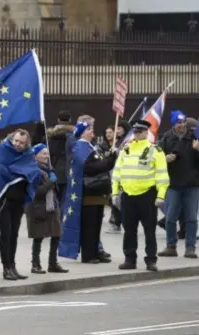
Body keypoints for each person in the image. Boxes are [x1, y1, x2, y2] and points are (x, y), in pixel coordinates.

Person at [0, 130, 41, 280]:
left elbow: (33, 171)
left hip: (18, 200)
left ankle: (12, 266)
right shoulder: (3, 150)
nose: (18, 145)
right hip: (3, 199)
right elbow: (0, 170)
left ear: (27, 144)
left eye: (22, 143)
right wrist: (20, 172)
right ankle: (6, 267)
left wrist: (19, 172)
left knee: (14, 234)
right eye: (16, 141)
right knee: (5, 233)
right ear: (12, 139)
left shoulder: (28, 155)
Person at [112, 120, 168, 271]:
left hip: (147, 195)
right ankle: (130, 259)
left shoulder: (155, 150)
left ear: (146, 132)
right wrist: (115, 192)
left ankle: (151, 260)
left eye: (140, 131)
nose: (137, 134)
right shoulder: (126, 149)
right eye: (135, 131)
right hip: (128, 195)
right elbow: (117, 172)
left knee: (149, 230)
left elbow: (162, 175)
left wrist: (160, 196)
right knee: (129, 229)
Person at [60, 119, 116, 264]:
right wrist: (110, 160)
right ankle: (88, 255)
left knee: (97, 223)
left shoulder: (90, 147)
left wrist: (109, 160)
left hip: (96, 192)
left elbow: (100, 165)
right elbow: (92, 168)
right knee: (89, 225)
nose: (92, 131)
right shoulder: (80, 147)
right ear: (81, 133)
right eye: (88, 129)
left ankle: (96, 251)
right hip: (87, 193)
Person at [158, 111, 199, 258]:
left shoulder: (194, 137)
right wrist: (164, 158)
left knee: (191, 218)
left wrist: (197, 150)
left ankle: (190, 248)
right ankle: (171, 246)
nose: (181, 125)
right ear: (173, 124)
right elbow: (155, 158)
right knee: (170, 218)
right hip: (173, 184)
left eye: (183, 123)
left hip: (192, 185)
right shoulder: (166, 138)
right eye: (178, 123)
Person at [26, 144, 68, 274]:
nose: (46, 156)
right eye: (43, 153)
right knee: (38, 237)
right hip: (38, 207)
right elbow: (38, 191)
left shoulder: (49, 169)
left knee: (56, 234)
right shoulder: (33, 170)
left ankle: (53, 263)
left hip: (51, 206)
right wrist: (51, 181)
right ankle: (35, 264)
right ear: (36, 155)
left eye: (47, 153)